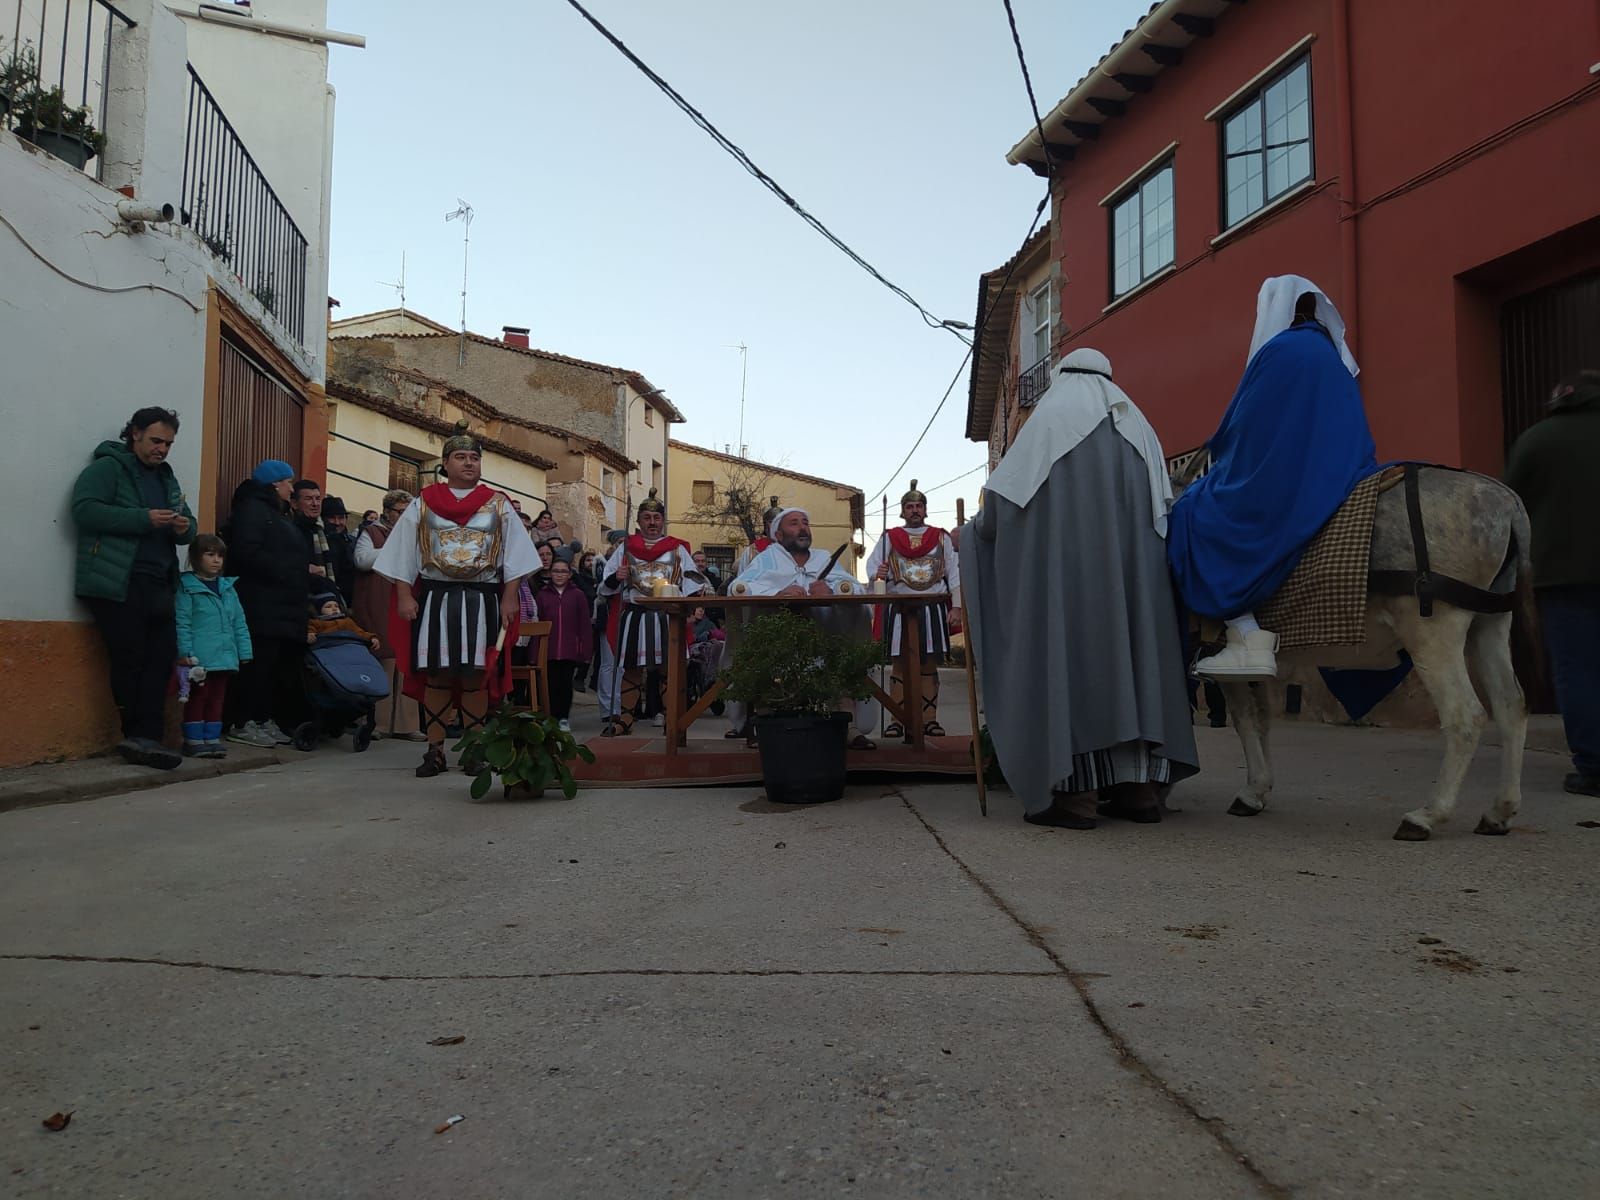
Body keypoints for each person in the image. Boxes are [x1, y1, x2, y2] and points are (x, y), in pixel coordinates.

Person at [963, 348, 1199, 829]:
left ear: (1060, 378)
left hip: (1071, 585)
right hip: (1137, 587)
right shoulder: (1140, 429)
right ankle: (1138, 793)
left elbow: (1003, 509)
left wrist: (972, 532)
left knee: (1077, 668)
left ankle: (1078, 799)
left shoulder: (1049, 423)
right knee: (1133, 665)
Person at [1167, 276, 1378, 681]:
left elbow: (1243, 429)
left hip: (1291, 479)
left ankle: (1245, 635)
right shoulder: (1330, 355)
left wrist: (1219, 446)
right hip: (1345, 471)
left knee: (1191, 516)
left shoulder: (1278, 351)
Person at [374, 422, 539, 777]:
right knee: (436, 673)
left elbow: (516, 556)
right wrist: (404, 595)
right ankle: (435, 750)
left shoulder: (499, 505)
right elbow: (401, 553)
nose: (469, 463)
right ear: (445, 464)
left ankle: (474, 750)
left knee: (474, 675)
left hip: (482, 600)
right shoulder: (422, 504)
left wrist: (511, 598)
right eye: (461, 457)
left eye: (474, 458)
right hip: (436, 599)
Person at [70, 406, 196, 768]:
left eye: (169, 444)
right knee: (130, 658)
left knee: (160, 660)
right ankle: (136, 736)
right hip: (117, 581)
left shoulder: (168, 479)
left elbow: (190, 527)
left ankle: (150, 739)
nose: (162, 449)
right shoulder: (107, 468)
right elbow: (84, 510)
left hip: (160, 582)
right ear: (135, 433)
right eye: (156, 440)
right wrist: (142, 519)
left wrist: (182, 526)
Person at [1506, 368, 1600, 796]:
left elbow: (1509, 503)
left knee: (1576, 669)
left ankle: (1593, 768)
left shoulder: (1536, 439)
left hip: (1561, 576)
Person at [731, 505, 877, 750]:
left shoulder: (823, 558)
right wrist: (776, 594)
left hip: (825, 637)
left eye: (805, 523)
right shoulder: (766, 559)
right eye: (794, 523)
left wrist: (831, 592)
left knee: (839, 659)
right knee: (765, 661)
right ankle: (763, 721)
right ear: (778, 535)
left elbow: (852, 586)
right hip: (779, 642)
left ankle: (847, 727)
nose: (802, 528)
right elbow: (739, 588)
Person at [596, 488, 704, 736]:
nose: (652, 523)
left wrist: (690, 611)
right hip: (634, 614)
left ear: (663, 520)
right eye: (647, 517)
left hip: (667, 617)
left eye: (656, 518)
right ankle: (625, 719)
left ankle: (672, 718)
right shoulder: (625, 549)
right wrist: (616, 576)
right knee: (631, 669)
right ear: (639, 521)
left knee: (669, 669)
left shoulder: (677, 550)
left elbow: (694, 583)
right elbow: (605, 587)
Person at [866, 480, 962, 738]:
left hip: (932, 608)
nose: (915, 510)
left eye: (919, 506)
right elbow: (873, 569)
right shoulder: (890, 538)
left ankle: (929, 719)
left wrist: (958, 607)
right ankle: (898, 719)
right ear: (903, 510)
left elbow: (954, 573)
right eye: (910, 506)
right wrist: (880, 573)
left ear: (925, 509)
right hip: (900, 609)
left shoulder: (940, 538)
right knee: (900, 665)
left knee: (929, 664)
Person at [226, 459, 311, 746]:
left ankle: (263, 718)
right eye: (288, 482)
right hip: (261, 606)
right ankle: (244, 721)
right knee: (256, 666)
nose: (291, 488)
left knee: (273, 668)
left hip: (280, 607)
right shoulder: (253, 511)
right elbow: (246, 553)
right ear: (275, 483)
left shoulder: (274, 513)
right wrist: (285, 571)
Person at [175, 534, 253, 757]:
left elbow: (239, 621)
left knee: (217, 699)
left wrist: (244, 650)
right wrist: (185, 652)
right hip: (199, 659)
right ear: (195, 557)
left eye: (220, 555)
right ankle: (193, 740)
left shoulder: (228, 588)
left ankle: (211, 738)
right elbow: (182, 622)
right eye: (210, 554)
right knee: (198, 698)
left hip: (225, 657)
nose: (216, 560)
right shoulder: (187, 587)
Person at [351, 488, 421, 739]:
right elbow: (361, 560)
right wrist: (394, 548)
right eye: (400, 511)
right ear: (388, 511)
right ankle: (377, 723)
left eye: (407, 512)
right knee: (383, 658)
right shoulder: (372, 532)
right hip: (378, 602)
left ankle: (407, 725)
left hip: (407, 602)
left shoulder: (415, 534)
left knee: (406, 659)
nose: (404, 516)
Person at [536, 557, 595, 732]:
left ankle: (563, 717)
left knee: (565, 684)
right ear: (550, 574)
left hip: (570, 648)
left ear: (570, 574)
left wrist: (586, 650)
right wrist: (535, 652)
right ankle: (551, 716)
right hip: (549, 648)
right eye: (556, 571)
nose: (559, 575)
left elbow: (584, 624)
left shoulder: (578, 595)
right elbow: (538, 622)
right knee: (550, 684)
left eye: (563, 571)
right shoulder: (542, 594)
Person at [290, 479, 337, 597]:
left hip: (330, 597)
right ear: (294, 504)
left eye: (317, 498)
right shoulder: (289, 532)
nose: (315, 504)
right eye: (308, 499)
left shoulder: (330, 532)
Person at [307, 592, 381, 652]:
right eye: (328, 607)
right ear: (319, 611)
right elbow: (310, 630)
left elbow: (360, 632)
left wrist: (371, 638)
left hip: (350, 647)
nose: (334, 609)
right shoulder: (315, 622)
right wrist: (310, 635)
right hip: (328, 649)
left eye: (336, 606)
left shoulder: (347, 621)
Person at [320, 495, 357, 608]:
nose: (337, 522)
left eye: (341, 518)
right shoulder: (319, 540)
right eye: (332, 517)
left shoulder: (353, 542)